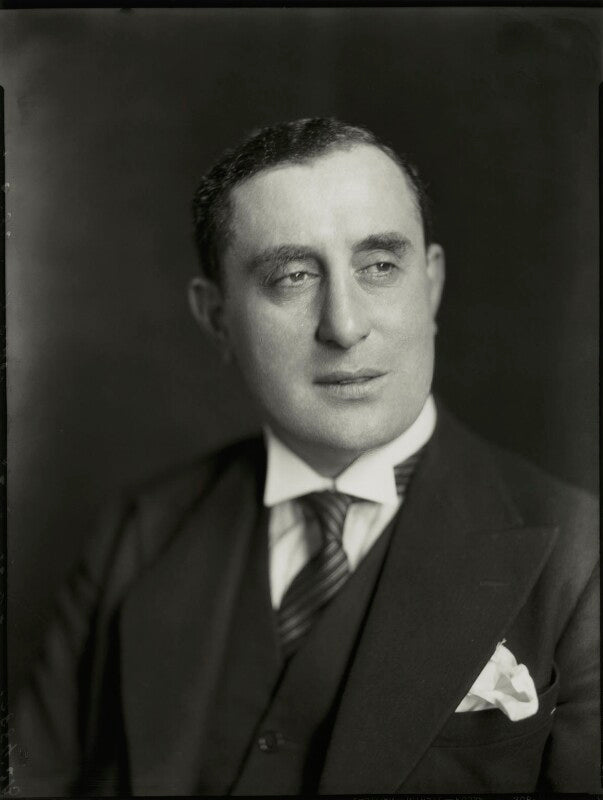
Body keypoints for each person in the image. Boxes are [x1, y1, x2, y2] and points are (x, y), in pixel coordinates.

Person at [13, 118, 599, 795]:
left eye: (379, 267)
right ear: (216, 318)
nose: (344, 326)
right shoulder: (136, 535)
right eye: (291, 276)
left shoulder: (582, 562)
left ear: (431, 285)